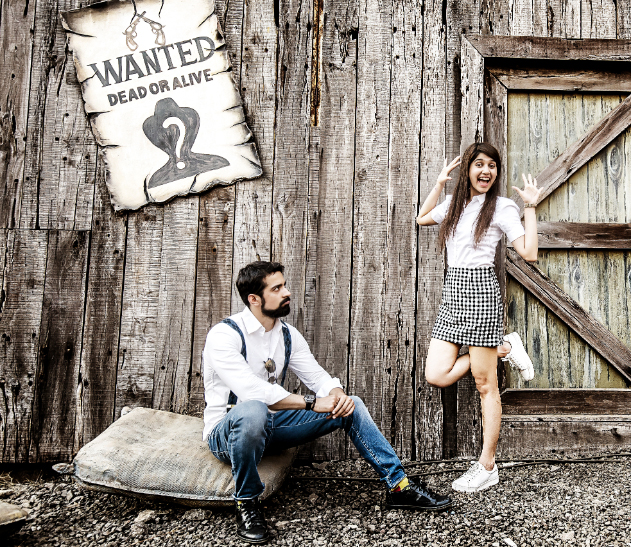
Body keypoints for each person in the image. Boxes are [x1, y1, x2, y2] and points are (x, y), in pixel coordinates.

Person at [203, 261, 451, 544]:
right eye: (277, 288)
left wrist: (336, 395)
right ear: (254, 299)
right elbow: (251, 391)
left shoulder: (287, 335)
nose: (287, 292)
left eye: (285, 285)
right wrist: (312, 403)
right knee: (253, 410)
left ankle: (399, 486)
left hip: (271, 426)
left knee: (351, 404)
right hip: (227, 433)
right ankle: (246, 502)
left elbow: (317, 377)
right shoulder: (224, 335)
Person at [416, 142, 540, 493]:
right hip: (453, 292)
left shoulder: (502, 207)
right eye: (479, 164)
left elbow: (529, 252)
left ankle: (487, 466)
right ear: (468, 169)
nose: (486, 171)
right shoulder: (454, 205)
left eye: (492, 166)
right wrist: (439, 183)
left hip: (481, 293)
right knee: (436, 374)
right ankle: (503, 348)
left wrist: (530, 206)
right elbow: (422, 218)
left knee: (486, 386)